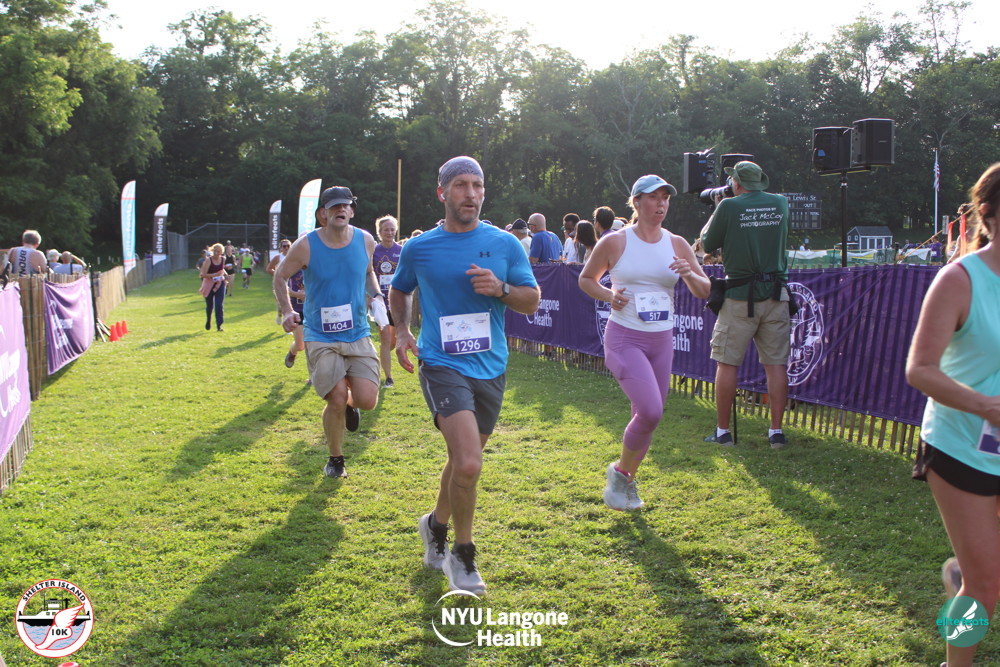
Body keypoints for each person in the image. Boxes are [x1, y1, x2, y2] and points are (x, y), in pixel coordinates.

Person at [389, 156, 540, 594]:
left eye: (477, 185)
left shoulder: (505, 244)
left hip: (491, 366)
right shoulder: (419, 248)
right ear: (442, 193)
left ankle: (435, 525)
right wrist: (403, 331)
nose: (470, 194)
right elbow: (399, 289)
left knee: (462, 462)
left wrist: (502, 289)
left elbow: (531, 300)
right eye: (461, 185)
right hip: (442, 364)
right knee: (470, 462)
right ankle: (463, 553)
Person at [906, 163, 1000, 667]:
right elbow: (919, 369)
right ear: (989, 213)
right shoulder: (960, 279)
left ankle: (967, 573)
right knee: (985, 586)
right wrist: (986, 405)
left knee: (984, 573)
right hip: (961, 444)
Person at [580, 175, 710, 511]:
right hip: (625, 337)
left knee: (647, 415)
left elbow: (704, 290)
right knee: (651, 411)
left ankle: (626, 481)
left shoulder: (677, 243)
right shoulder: (615, 242)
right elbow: (586, 279)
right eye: (654, 197)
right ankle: (620, 474)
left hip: (661, 340)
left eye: (666, 197)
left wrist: (689, 273)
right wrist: (609, 294)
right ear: (636, 202)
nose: (661, 203)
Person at [273, 186, 382, 479]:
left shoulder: (365, 240)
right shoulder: (306, 245)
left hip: (357, 331)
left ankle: (350, 405)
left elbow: (368, 272)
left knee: (367, 400)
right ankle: (335, 459)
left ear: (352, 211)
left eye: (345, 206)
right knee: (335, 397)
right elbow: (280, 276)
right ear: (323, 213)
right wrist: (287, 311)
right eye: (334, 207)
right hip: (320, 334)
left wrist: (376, 295)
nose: (340, 210)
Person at [700, 160, 792, 449]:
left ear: (736, 183)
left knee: (727, 363)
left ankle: (723, 432)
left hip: (739, 296)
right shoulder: (780, 203)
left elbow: (707, 242)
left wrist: (718, 207)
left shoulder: (729, 206)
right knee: (776, 365)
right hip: (776, 294)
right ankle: (776, 432)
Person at [372, 215, 403, 389]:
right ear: (380, 232)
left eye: (392, 229)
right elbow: (367, 274)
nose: (389, 233)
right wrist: (370, 297)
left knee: (393, 341)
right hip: (380, 301)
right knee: (385, 338)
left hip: (397, 300)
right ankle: (388, 377)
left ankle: (378, 356)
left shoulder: (401, 250)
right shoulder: (373, 251)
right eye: (386, 230)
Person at [199, 243, 227, 331]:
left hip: (220, 283)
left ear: (222, 252)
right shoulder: (208, 260)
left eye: (219, 252)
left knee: (219, 304)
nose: (217, 253)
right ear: (213, 251)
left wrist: (225, 274)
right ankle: (208, 320)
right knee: (210, 305)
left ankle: (219, 325)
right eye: (215, 251)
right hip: (209, 284)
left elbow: (221, 269)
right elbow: (203, 274)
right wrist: (214, 275)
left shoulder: (223, 259)